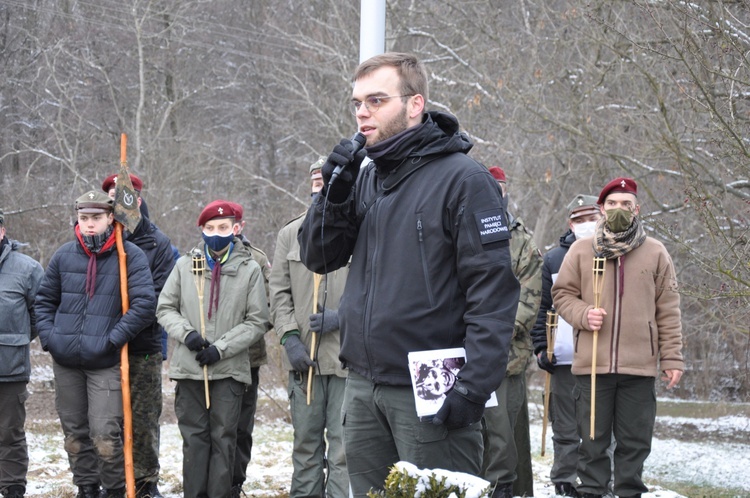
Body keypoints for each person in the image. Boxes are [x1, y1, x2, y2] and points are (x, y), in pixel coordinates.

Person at [297, 52, 520, 497]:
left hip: (432, 390)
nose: (362, 112)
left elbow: (492, 294)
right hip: (361, 383)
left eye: (376, 100)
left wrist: (473, 388)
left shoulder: (464, 180)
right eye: (357, 102)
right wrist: (333, 197)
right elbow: (318, 256)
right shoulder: (364, 176)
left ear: (414, 104)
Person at [552, 177, 684, 498]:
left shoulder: (655, 252)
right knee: (593, 445)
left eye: (626, 204)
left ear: (637, 209)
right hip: (592, 366)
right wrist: (584, 314)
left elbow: (668, 308)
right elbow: (562, 294)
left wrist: (672, 357)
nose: (618, 209)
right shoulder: (583, 250)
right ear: (601, 208)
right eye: (612, 204)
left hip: (638, 367)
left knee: (634, 445)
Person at [35, 191, 156, 498]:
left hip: (105, 362)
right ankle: (86, 488)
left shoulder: (129, 255)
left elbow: (144, 304)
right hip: (66, 362)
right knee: (74, 434)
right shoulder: (64, 255)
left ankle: (114, 490)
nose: (89, 225)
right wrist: (51, 338)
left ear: (110, 218)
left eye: (96, 218)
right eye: (84, 218)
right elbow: (44, 301)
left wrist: (113, 339)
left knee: (105, 435)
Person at [156, 200, 269, 498]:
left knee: (224, 438)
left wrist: (221, 349)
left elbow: (257, 321)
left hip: (229, 370)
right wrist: (188, 334)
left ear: (235, 229)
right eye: (210, 228)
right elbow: (165, 308)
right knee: (194, 439)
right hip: (190, 368)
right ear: (202, 230)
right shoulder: (184, 266)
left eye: (222, 227)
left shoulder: (249, 270)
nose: (216, 233)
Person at [270, 157, 350, 498]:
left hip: (348, 361)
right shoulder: (291, 233)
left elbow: (376, 291)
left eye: (327, 181)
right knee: (305, 448)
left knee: (345, 450)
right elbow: (278, 292)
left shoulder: (358, 232)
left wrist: (341, 318)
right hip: (305, 363)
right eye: (316, 181)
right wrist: (289, 339)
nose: (321, 187)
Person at [102, 173, 175, 498]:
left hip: (142, 346)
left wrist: (122, 325)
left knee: (143, 419)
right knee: (106, 421)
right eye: (112, 196)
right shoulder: (97, 241)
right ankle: (113, 482)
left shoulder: (158, 245)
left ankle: (146, 483)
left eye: (123, 196)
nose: (117, 203)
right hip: (101, 349)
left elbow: (158, 299)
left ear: (137, 200)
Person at [530, 193, 602, 497]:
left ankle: (598, 479)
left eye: (591, 218)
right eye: (579, 220)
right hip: (562, 356)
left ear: (601, 219)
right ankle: (564, 478)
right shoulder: (553, 259)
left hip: (601, 355)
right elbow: (542, 306)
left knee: (598, 423)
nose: (586, 225)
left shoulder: (613, 253)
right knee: (564, 423)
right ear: (570, 223)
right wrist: (540, 347)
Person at [481, 166, 543, 498]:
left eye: (499, 188)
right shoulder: (460, 230)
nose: (494, 193)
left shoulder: (521, 242)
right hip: (462, 354)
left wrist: (492, 336)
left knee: (503, 435)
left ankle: (504, 489)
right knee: (469, 435)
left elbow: (529, 299)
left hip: (505, 356)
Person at [228, 201, 272, 498]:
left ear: (240, 227)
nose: (222, 231)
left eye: (229, 224)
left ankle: (234, 483)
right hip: (208, 357)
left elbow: (268, 308)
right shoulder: (196, 258)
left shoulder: (257, 259)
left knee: (241, 427)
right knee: (212, 428)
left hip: (247, 357)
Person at [0, 210, 44, 498]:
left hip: (10, 368)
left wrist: (13, 341)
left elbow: (40, 315)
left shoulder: (28, 269)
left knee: (9, 432)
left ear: (2, 230)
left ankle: (12, 486)